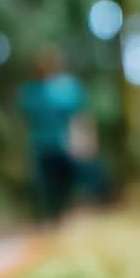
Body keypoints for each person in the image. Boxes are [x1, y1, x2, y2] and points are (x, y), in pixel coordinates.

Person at [18, 47, 110, 219]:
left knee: (81, 181)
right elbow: (27, 121)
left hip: (68, 145)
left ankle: (91, 213)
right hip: (42, 148)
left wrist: (87, 142)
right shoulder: (30, 91)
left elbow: (82, 116)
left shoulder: (69, 88)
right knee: (50, 188)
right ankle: (55, 221)